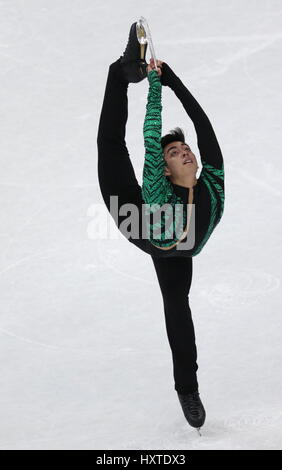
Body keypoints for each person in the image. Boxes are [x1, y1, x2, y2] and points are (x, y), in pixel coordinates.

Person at [97, 22, 225, 432]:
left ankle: (187, 388)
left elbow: (204, 129)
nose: (185, 151)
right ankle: (119, 73)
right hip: (139, 219)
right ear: (165, 170)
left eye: (185, 148)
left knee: (177, 306)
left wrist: (177, 82)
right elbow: (152, 133)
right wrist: (156, 83)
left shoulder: (213, 189)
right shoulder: (156, 188)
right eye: (175, 152)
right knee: (111, 146)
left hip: (178, 248)